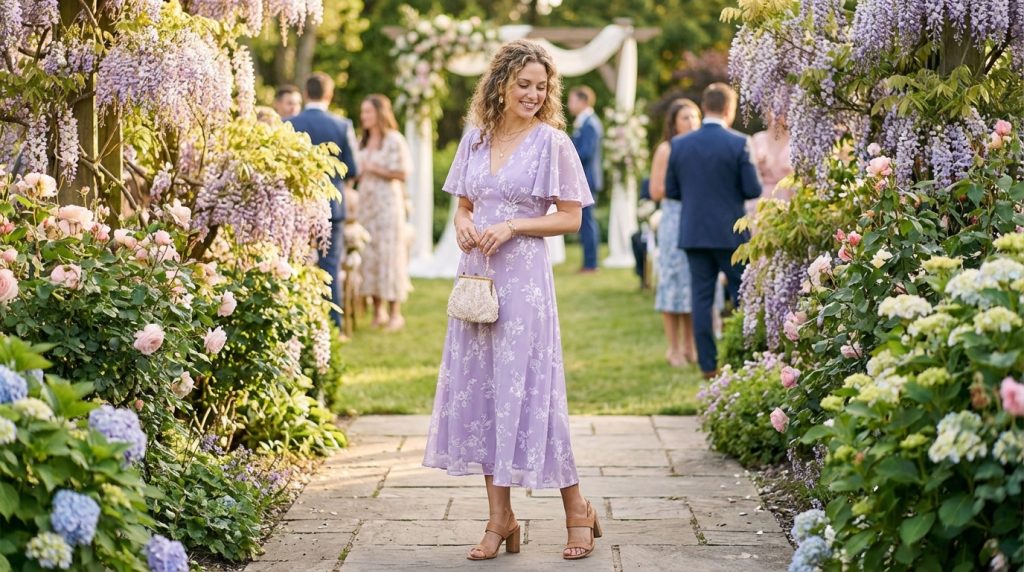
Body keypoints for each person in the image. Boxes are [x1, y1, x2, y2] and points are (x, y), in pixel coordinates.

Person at [422, 39, 601, 562]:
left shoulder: (553, 143)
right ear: (500, 84)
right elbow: (463, 204)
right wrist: (461, 224)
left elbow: (570, 217)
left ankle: (577, 510)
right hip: (477, 277)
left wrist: (514, 225)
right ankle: (500, 519)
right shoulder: (475, 138)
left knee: (534, 394)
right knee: (482, 393)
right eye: (523, 83)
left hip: (524, 282)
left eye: (541, 86)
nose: (532, 93)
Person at [666, 83, 761, 378]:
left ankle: (708, 365)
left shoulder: (680, 145)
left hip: (694, 232)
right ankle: (745, 355)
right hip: (731, 232)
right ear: (729, 110)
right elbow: (753, 188)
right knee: (741, 295)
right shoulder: (739, 143)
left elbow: (672, 190)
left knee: (701, 299)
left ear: (704, 107)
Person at [287, 73, 359, 332]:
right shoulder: (342, 125)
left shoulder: (290, 123)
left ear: (306, 93)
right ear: (329, 95)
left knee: (295, 262)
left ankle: (296, 322)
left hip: (298, 205)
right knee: (330, 264)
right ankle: (332, 325)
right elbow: (352, 168)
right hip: (332, 205)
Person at [650, 98, 701, 367]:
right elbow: (655, 191)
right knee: (672, 282)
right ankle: (673, 348)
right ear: (673, 123)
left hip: (697, 219)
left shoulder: (701, 149)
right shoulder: (666, 150)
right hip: (673, 219)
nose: (691, 123)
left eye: (695, 117)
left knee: (693, 284)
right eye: (685, 118)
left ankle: (690, 346)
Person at [356, 94, 413, 331]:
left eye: (368, 111)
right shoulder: (362, 141)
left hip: (388, 206)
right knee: (370, 256)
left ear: (380, 113)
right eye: (363, 112)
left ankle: (395, 314)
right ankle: (377, 311)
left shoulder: (394, 140)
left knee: (389, 256)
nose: (364, 116)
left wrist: (375, 168)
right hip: (366, 206)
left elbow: (403, 172)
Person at [567, 85, 603, 273]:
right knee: (585, 222)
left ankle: (591, 263)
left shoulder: (590, 123)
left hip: (588, 180)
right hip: (584, 180)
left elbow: (586, 152)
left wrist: (566, 156)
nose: (569, 104)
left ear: (583, 101)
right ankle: (588, 261)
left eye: (572, 100)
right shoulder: (583, 122)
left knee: (587, 222)